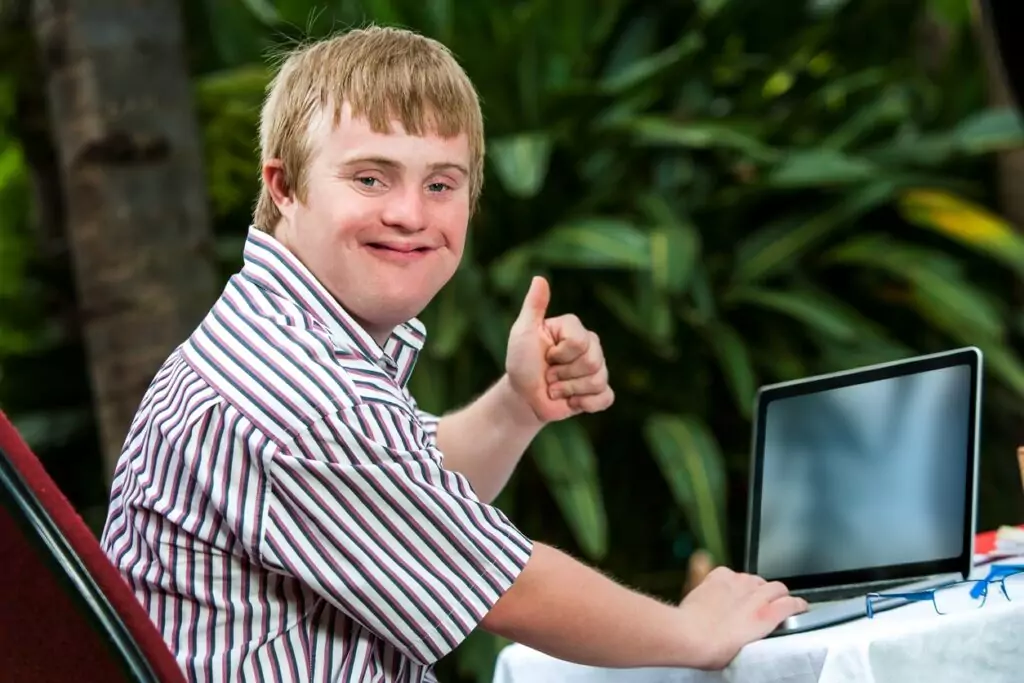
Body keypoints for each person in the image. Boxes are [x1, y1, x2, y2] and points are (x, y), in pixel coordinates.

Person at [99, 25, 806, 683]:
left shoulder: (279, 334)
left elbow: (403, 481)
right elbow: (508, 589)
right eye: (370, 178)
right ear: (283, 186)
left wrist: (516, 405)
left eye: (441, 183)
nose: (410, 213)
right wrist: (691, 630)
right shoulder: (295, 391)